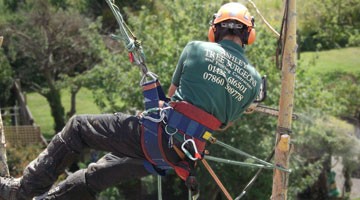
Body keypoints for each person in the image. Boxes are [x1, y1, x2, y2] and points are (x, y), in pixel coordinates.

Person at [0, 2, 261, 200]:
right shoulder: (254, 82)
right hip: (177, 156)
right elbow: (223, 123)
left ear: (214, 30)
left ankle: (22, 191)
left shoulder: (196, 48)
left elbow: (170, 98)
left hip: (156, 136)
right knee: (97, 176)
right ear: (248, 35)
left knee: (79, 128)